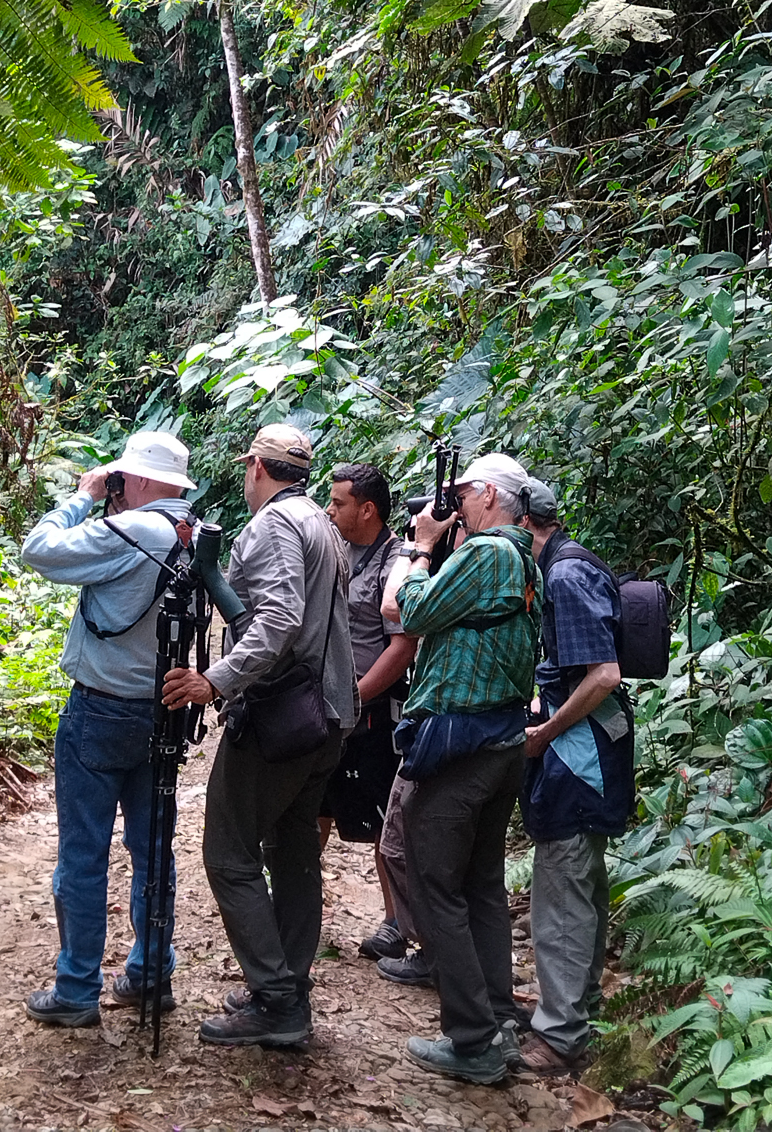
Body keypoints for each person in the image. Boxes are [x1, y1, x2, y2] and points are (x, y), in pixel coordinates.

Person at [161, 424, 354, 1048]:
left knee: (228, 853)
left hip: (280, 721)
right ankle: (288, 987)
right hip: (325, 717)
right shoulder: (322, 523)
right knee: (294, 854)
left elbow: (277, 619)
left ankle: (276, 1001)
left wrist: (213, 682)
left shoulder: (274, 525)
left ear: (257, 469)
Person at [20, 430, 197, 1027]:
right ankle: (152, 972)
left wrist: (84, 495)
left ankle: (75, 989)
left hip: (101, 712)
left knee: (83, 853)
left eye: (122, 479)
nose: (116, 486)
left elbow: (39, 551)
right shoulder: (187, 532)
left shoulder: (135, 528)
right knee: (152, 850)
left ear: (141, 480)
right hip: (161, 711)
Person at [393, 452, 542, 1085]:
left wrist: (422, 548)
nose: (450, 506)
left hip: (462, 747)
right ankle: (499, 1023)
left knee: (434, 882)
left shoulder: (487, 555)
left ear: (486, 495)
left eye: (459, 495)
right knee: (479, 884)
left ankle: (474, 1038)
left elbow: (413, 611)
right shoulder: (524, 559)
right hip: (499, 742)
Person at [519, 478, 633, 1077]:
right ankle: (576, 1010)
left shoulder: (564, 575)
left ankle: (559, 1034)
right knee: (578, 881)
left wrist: (544, 730)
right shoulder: (560, 567)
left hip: (580, 755)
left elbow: (604, 675)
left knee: (562, 889)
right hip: (581, 750)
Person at [321, 463, 418, 962]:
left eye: (338, 503)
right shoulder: (329, 545)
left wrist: (356, 698)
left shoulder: (396, 560)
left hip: (373, 709)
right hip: (321, 704)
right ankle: (296, 905)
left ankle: (397, 923)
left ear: (368, 508)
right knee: (310, 802)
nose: (329, 510)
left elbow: (402, 644)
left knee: (384, 816)